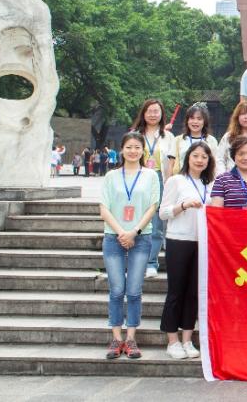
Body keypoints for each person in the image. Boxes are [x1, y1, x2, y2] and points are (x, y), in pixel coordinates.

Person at [98, 132, 158, 360]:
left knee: (133, 290)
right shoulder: (111, 176)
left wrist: (134, 232)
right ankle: (116, 338)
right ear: (121, 150)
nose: (133, 151)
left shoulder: (150, 175)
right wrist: (122, 232)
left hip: (141, 238)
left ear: (143, 151)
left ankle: (131, 338)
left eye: (137, 147)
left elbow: (152, 207)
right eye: (129, 147)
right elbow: (104, 209)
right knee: (116, 290)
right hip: (113, 237)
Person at [158, 141, 215, 360]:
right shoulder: (176, 181)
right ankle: (172, 340)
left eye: (204, 157)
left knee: (193, 292)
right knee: (176, 291)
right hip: (179, 240)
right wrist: (183, 206)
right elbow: (163, 213)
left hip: (202, 242)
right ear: (187, 158)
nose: (200, 160)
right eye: (196, 156)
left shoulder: (209, 184)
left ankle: (187, 339)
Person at [130, 98, 176, 279]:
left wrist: (169, 183)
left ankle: (151, 262)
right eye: (149, 111)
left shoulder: (168, 136)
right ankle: (135, 260)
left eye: (156, 111)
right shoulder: (135, 134)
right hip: (138, 178)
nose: (152, 114)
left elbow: (171, 162)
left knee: (156, 224)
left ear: (162, 114)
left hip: (159, 178)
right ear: (143, 113)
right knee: (136, 219)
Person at [210, 136, 247, 210]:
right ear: (234, 156)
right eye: (241, 154)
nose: (246, 158)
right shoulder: (222, 180)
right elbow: (216, 212)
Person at [169, 103, 219, 179]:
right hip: (182, 180)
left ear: (204, 121)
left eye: (199, 119)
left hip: (205, 181)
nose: (195, 122)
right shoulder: (178, 140)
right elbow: (171, 164)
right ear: (187, 121)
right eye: (192, 118)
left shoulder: (211, 140)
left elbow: (215, 165)